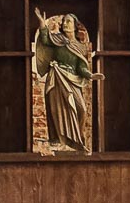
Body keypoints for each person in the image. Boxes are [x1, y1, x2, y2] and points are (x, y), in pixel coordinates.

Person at [33, 9, 100, 151]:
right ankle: (61, 141)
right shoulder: (58, 40)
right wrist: (42, 24)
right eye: (64, 21)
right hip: (57, 77)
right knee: (59, 111)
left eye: (68, 21)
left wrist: (91, 75)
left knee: (81, 109)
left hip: (72, 80)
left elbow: (81, 67)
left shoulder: (80, 47)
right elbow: (45, 39)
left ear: (75, 26)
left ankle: (77, 141)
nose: (65, 24)